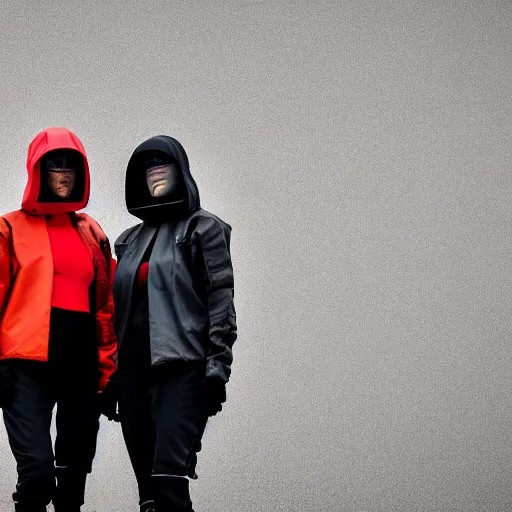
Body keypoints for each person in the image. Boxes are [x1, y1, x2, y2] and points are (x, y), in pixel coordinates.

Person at [102, 135, 237, 512]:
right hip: (132, 375)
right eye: (148, 166)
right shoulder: (128, 241)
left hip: (181, 370)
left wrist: (216, 368)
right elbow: (116, 312)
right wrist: (111, 374)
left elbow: (221, 299)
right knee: (148, 496)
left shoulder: (203, 229)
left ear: (182, 171)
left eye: (164, 163)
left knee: (168, 482)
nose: (156, 171)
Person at [0, 127, 118, 512]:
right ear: (38, 171)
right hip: (24, 368)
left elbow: (105, 308)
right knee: (36, 471)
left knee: (72, 479)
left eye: (71, 165)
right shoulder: (9, 228)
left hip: (80, 367)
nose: (64, 173)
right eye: (54, 165)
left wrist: (108, 372)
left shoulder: (90, 231)